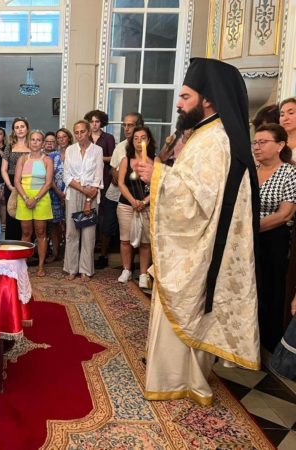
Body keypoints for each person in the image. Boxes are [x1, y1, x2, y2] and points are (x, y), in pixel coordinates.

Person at [136, 58, 261, 406]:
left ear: (207, 99)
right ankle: (177, 376)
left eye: (185, 96)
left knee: (188, 306)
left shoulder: (214, 140)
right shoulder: (207, 134)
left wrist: (158, 175)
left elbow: (198, 201)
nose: (179, 103)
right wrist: (161, 173)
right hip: (197, 241)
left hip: (201, 246)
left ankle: (180, 380)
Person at [252, 123, 296, 351]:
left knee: (270, 290)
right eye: (255, 142)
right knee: (248, 289)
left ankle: (268, 345)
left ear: (280, 145)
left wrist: (251, 228)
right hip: (246, 238)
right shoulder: (250, 171)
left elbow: (285, 213)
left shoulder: (289, 172)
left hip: (273, 239)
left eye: (263, 142)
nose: (257, 147)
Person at [96, 112, 144, 270]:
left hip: (133, 196)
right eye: (125, 125)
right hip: (115, 194)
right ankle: (103, 256)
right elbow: (112, 168)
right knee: (107, 226)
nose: (126, 128)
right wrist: (115, 173)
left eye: (130, 125)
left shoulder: (146, 148)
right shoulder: (120, 146)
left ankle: (131, 264)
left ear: (139, 126)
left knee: (133, 230)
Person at [63, 120, 103, 281]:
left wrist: (88, 198)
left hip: (91, 193)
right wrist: (82, 189)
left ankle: (85, 269)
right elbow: (66, 175)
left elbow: (98, 176)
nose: (79, 135)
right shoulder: (70, 150)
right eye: (76, 132)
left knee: (88, 233)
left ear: (88, 132)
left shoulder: (97, 150)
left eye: (82, 131)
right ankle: (71, 268)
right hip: (73, 192)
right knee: (71, 232)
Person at [116, 126, 154, 287]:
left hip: (147, 206)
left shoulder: (155, 161)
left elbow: (158, 185)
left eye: (142, 138)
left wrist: (144, 201)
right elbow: (121, 183)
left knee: (145, 242)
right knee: (125, 239)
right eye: (136, 138)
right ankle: (127, 269)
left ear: (148, 140)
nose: (139, 142)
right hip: (126, 205)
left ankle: (143, 273)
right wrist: (133, 201)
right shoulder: (126, 160)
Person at [14, 130, 53, 277]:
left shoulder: (47, 160)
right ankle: (23, 265)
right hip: (24, 197)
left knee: (41, 232)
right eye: (33, 139)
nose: (35, 142)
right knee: (26, 233)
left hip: (41, 198)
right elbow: (17, 181)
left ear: (42, 143)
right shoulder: (22, 159)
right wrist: (25, 198)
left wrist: (35, 199)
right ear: (29, 142)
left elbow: (48, 183)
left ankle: (41, 266)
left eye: (38, 140)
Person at [2, 118, 31, 239]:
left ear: (27, 129)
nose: (20, 129)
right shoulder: (9, 147)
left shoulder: (32, 145)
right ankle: (12, 244)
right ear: (14, 131)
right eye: (17, 127)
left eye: (22, 126)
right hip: (11, 182)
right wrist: (10, 186)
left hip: (28, 182)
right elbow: (3, 169)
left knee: (27, 215)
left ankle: (27, 245)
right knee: (12, 215)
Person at [46, 130, 67, 262]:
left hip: (72, 193)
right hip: (54, 194)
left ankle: (68, 254)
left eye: (64, 137)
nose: (61, 139)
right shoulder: (52, 156)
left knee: (69, 226)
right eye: (58, 137)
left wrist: (66, 194)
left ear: (69, 138)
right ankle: (55, 253)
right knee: (54, 225)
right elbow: (49, 177)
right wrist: (59, 193)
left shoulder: (75, 154)